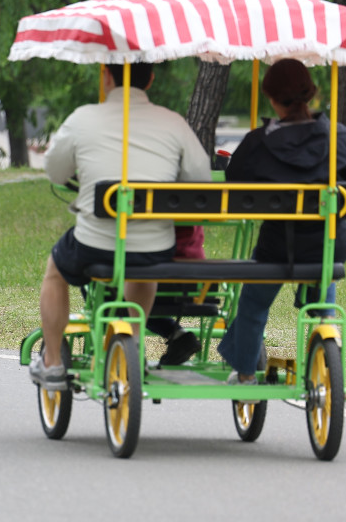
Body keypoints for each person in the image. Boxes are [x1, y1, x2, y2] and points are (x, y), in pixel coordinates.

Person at [29, 62, 212, 390]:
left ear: (107, 76)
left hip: (94, 243)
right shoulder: (173, 123)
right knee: (144, 260)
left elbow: (55, 172)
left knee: (55, 269)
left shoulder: (83, 118)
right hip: (154, 246)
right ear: (151, 79)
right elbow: (200, 180)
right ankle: (134, 339)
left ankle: (53, 362)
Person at [218, 59, 346, 392]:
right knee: (322, 255)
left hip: (278, 248)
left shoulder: (258, 143)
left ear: (271, 98)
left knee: (255, 301)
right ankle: (325, 316)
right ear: (311, 94)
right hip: (330, 242)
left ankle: (244, 370)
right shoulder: (340, 137)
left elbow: (235, 183)